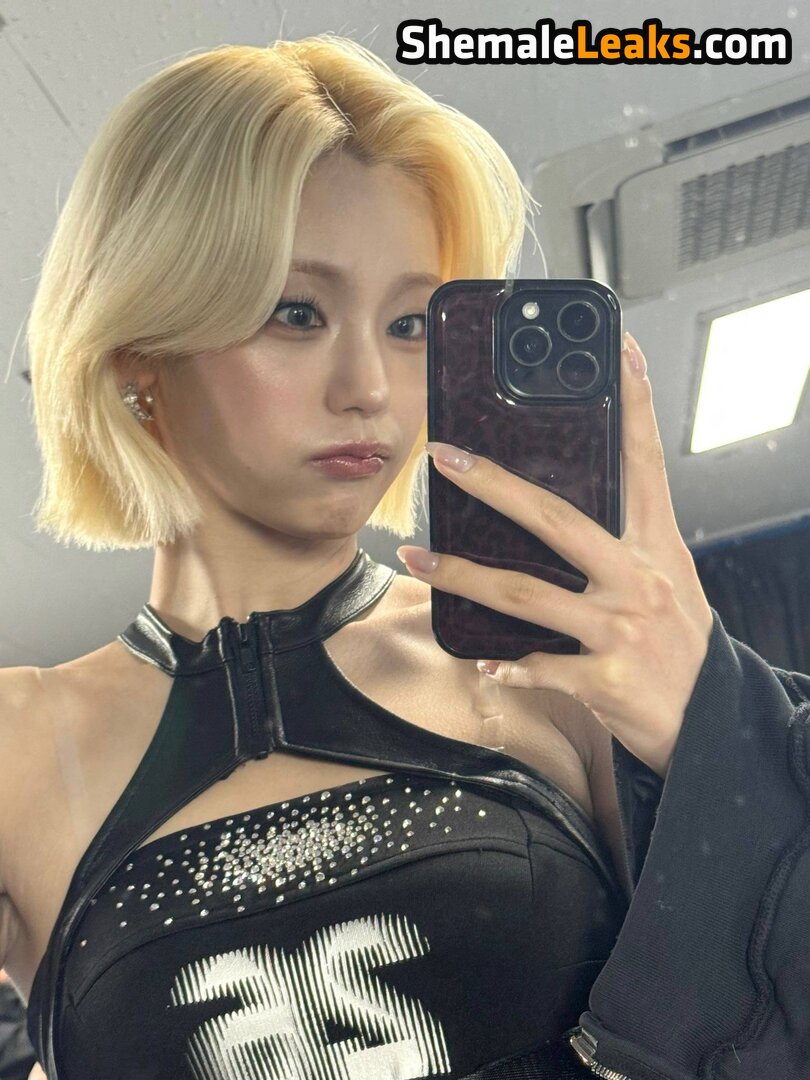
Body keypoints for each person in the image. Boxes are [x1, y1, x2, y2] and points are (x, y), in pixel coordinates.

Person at [1, 34, 808, 1080]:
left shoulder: (542, 667)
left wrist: (714, 719)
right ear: (139, 352)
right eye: (297, 313)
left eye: (413, 323)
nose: (370, 389)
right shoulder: (19, 749)